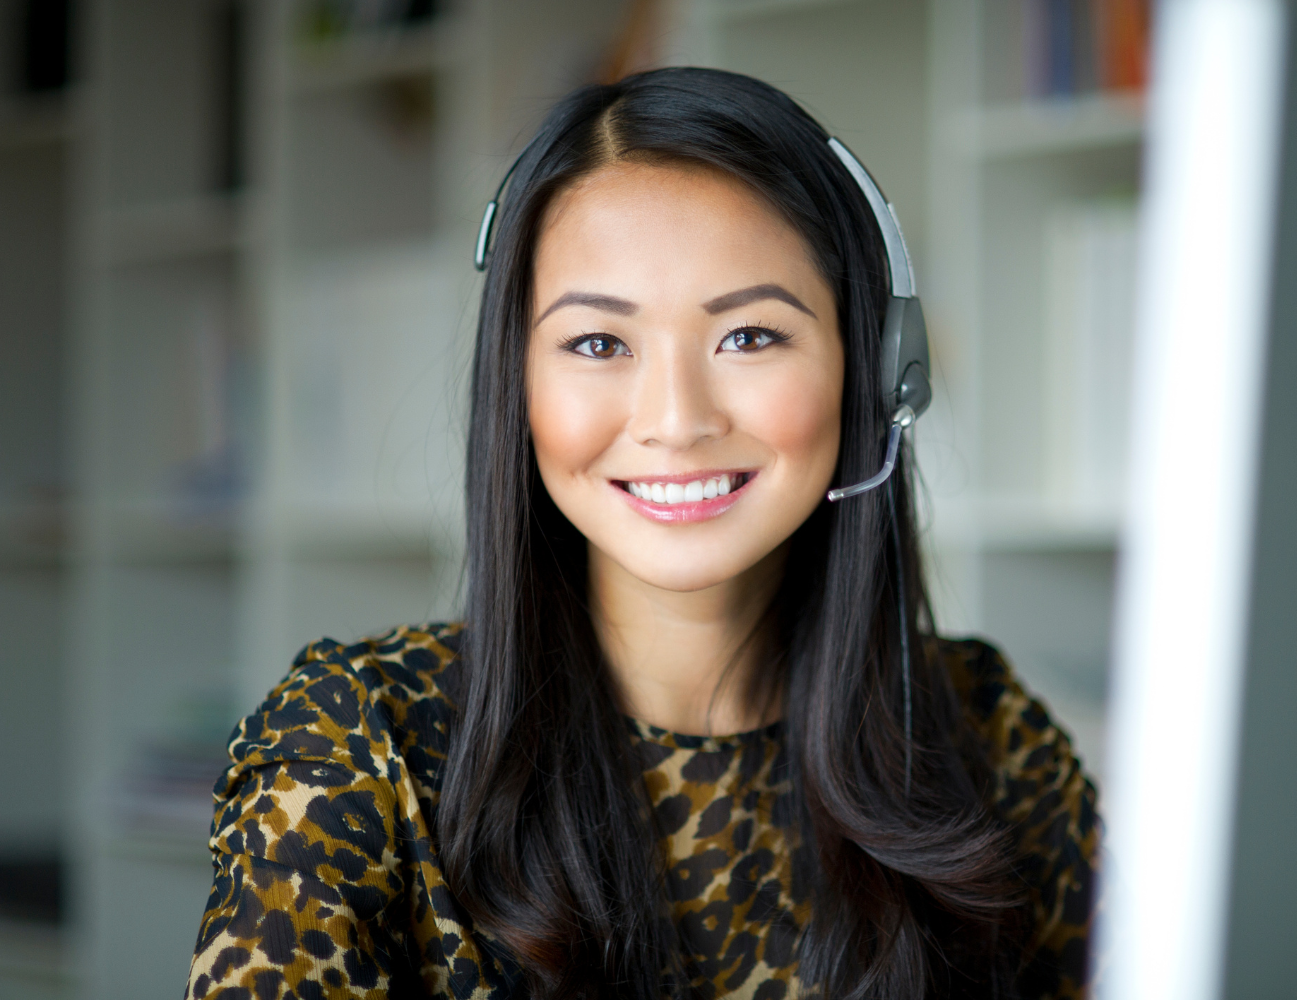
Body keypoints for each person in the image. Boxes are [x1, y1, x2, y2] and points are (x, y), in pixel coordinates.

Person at [183, 67, 1099, 1000]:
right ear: (517, 383)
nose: (675, 420)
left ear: (875, 367)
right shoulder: (353, 745)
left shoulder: (987, 736)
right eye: (598, 343)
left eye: (749, 336)